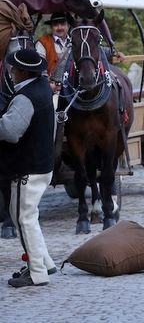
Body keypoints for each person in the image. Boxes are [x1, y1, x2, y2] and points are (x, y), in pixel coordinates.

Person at [0, 48, 56, 287]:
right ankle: (45, 262)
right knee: (25, 216)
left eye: (14, 68)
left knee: (23, 219)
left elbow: (10, 132)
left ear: (24, 71)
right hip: (40, 164)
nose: (11, 72)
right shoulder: (42, 89)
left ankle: (37, 273)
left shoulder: (26, 96)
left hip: (29, 167)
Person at [35, 12, 71, 91]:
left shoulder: (75, 42)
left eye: (62, 24)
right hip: (52, 89)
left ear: (68, 25)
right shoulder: (43, 42)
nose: (59, 27)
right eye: (55, 25)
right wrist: (48, 83)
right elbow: (40, 67)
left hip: (72, 88)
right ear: (51, 27)